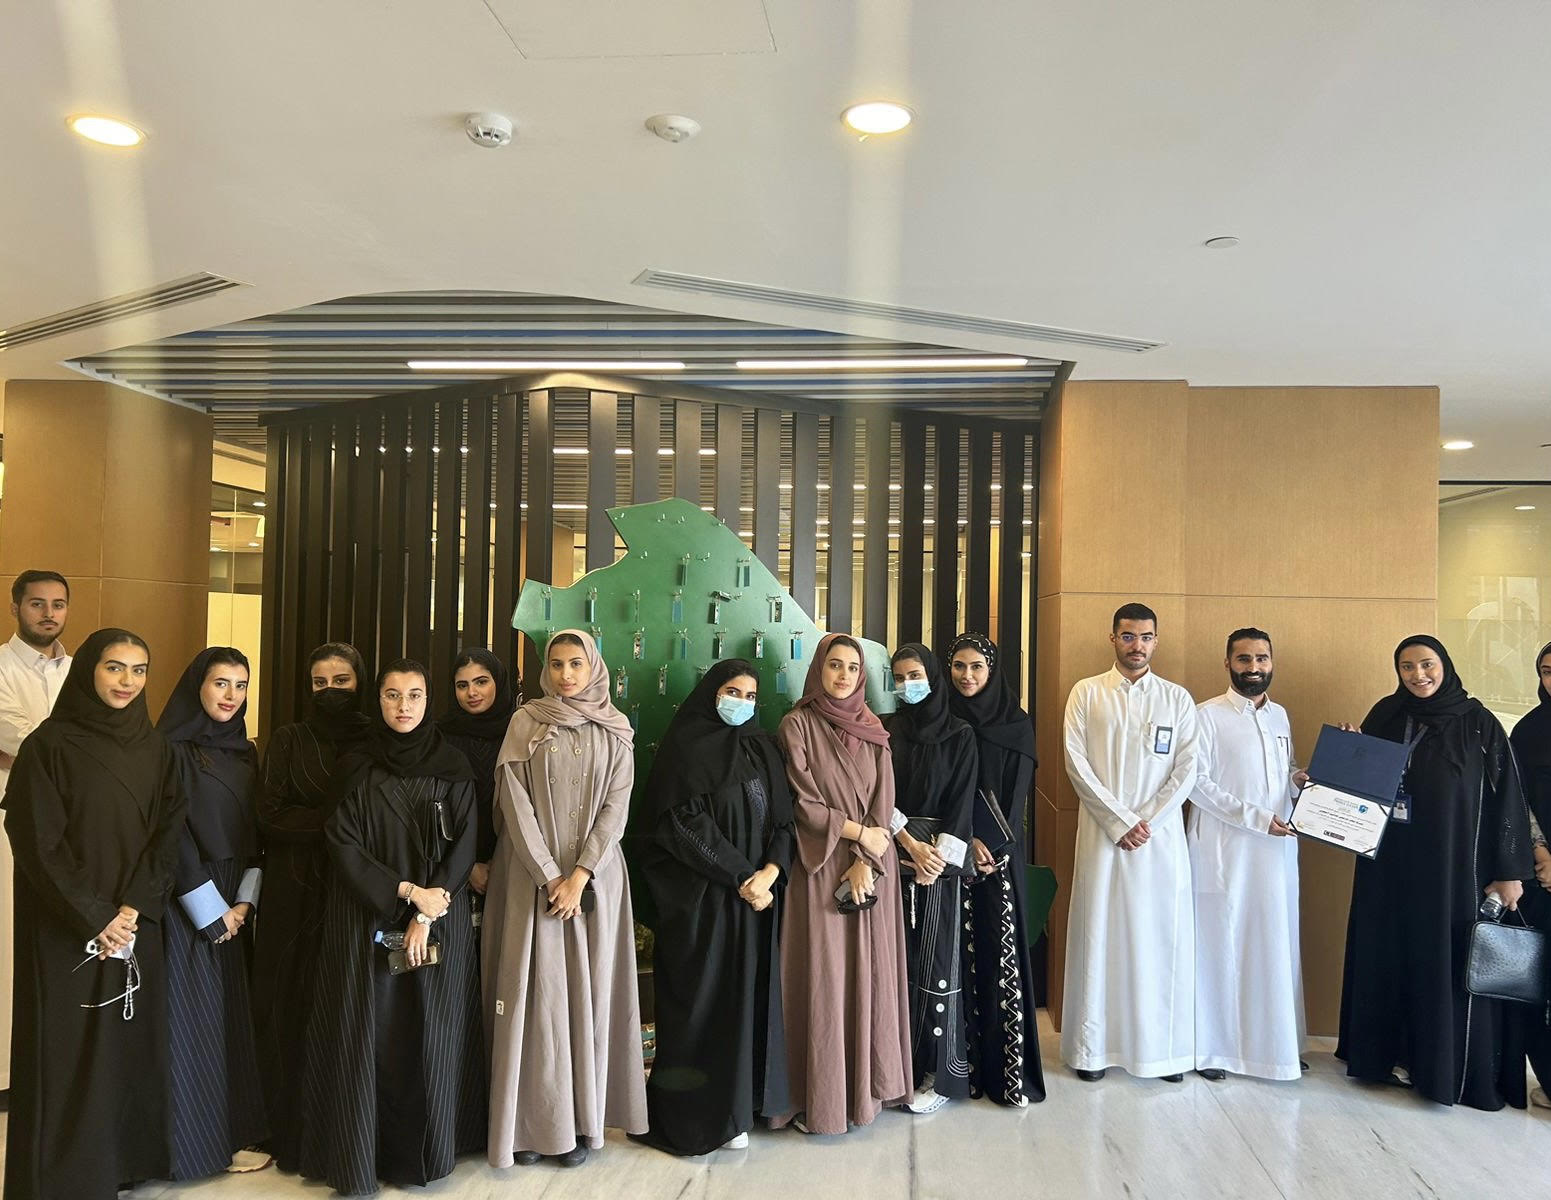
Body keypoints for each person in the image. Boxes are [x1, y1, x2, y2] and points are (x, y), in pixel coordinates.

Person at [2, 628, 185, 1199]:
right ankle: (62, 1176)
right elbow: (36, 839)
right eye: (114, 668)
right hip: (67, 924)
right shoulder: (49, 745)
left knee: (125, 1041)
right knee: (69, 1046)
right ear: (88, 670)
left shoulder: (159, 750)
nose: (127, 682)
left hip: (133, 922)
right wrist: (96, 915)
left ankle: (119, 1165)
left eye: (138, 670)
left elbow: (168, 834)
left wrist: (132, 909)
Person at [297, 658, 486, 1193]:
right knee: (368, 1035)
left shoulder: (451, 765)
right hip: (363, 918)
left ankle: (426, 1154)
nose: (403, 707)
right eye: (392, 695)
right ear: (377, 700)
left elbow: (465, 845)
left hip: (438, 920)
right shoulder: (356, 764)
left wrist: (426, 912)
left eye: (415, 696)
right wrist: (405, 894)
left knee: (430, 1035)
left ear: (429, 702)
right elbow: (342, 843)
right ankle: (362, 1158)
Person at [1337, 635, 1532, 1109]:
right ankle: (1385, 1059)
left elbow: (1508, 799)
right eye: (1406, 667)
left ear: (1444, 665)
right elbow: (1362, 790)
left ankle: (1441, 1070)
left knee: (1445, 961)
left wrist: (1509, 871)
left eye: (1426, 665)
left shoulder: (1479, 723)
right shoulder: (1385, 715)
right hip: (1389, 868)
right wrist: (1350, 755)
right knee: (1389, 954)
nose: (1417, 675)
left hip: (1453, 872)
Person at [484, 630, 645, 1168]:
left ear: (594, 665)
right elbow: (513, 800)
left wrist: (579, 875)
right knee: (536, 999)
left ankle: (581, 1123)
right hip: (531, 880)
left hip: (596, 882)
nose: (566, 675)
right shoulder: (526, 722)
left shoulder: (615, 728)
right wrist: (550, 874)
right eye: (556, 664)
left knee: (589, 999)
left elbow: (616, 811)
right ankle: (530, 1127)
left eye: (576, 664)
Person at [632, 659, 795, 1156]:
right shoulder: (686, 748)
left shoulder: (761, 747)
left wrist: (770, 872)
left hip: (756, 903)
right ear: (710, 693)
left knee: (745, 1004)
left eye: (750, 696)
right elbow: (681, 824)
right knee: (701, 1007)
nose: (741, 703)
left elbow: (785, 823)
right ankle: (697, 1116)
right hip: (703, 906)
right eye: (731, 691)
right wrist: (741, 876)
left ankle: (740, 1107)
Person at [773, 633, 911, 1134]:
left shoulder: (874, 728)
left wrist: (867, 860)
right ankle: (821, 1098)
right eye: (834, 666)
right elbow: (802, 803)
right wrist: (857, 839)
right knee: (825, 980)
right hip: (820, 868)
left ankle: (865, 1095)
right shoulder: (797, 726)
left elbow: (884, 798)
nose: (844, 676)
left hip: (870, 869)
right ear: (818, 670)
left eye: (853, 668)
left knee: (870, 977)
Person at [1061, 603, 1199, 1082]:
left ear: (1156, 641)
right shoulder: (1086, 693)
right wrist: (1120, 821)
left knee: (1159, 939)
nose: (1136, 645)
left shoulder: (1178, 699)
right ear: (1113, 638)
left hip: (1159, 842)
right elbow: (1076, 763)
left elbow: (1187, 770)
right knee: (1100, 936)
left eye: (1144, 637)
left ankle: (1162, 1053)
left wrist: (1149, 822)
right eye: (1127, 636)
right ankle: (1093, 1050)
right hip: (1103, 839)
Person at [252, 641, 371, 1169]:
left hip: (355, 891)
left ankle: (344, 1124)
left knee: (347, 1003)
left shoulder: (376, 738)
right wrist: (337, 829)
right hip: (294, 890)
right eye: (320, 683)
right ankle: (285, 1127)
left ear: (359, 682)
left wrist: (326, 827)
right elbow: (268, 814)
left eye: (341, 681)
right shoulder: (288, 739)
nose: (330, 692)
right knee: (289, 1002)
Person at [157, 647, 269, 1176]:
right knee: (192, 1022)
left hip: (234, 895)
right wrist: (209, 909)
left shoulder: (245, 750)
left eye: (241, 685)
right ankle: (191, 1148)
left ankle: (231, 1137)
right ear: (196, 686)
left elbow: (256, 831)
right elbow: (168, 834)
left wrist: (245, 900)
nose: (231, 696)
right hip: (190, 895)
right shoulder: (168, 749)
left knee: (229, 1020)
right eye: (220, 683)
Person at [1189, 628, 1306, 1082]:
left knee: (1274, 943)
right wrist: (1256, 818)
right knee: (1223, 943)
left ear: (1272, 662)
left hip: (1276, 853)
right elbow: (1197, 785)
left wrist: (1301, 779)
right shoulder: (1205, 716)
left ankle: (1274, 1047)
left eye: (1261, 658)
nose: (1253, 667)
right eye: (1244, 659)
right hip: (1224, 850)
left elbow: (1284, 773)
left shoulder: (1280, 716)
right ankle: (1216, 1051)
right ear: (1227, 663)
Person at [946, 631, 1048, 1107]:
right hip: (953, 852)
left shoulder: (1017, 724)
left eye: (977, 668)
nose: (967, 676)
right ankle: (956, 1072)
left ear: (993, 672)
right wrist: (966, 838)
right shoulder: (941, 718)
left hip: (1000, 857)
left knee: (998, 957)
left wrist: (992, 844)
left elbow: (1016, 795)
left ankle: (1007, 1075)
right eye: (959, 667)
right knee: (953, 958)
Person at [885, 642, 977, 1113]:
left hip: (939, 864)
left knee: (937, 963)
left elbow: (961, 804)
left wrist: (935, 861)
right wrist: (908, 845)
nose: (907, 686)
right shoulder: (885, 729)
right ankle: (893, 1071)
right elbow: (876, 793)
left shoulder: (960, 734)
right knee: (895, 963)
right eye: (898, 678)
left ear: (933, 676)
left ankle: (936, 1076)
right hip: (893, 853)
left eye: (914, 675)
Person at [0, 569, 72, 1100]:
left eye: (58, 604)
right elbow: (21, 740)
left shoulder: (84, 669)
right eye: (37, 604)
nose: (49, 614)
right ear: (15, 608)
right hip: (12, 824)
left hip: (79, 826)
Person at [438, 647, 517, 912]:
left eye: (481, 682)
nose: (472, 693)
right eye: (462, 685)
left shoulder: (521, 734)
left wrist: (502, 862)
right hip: (452, 869)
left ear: (499, 681)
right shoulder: (439, 738)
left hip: (514, 863)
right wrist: (467, 866)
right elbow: (434, 807)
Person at [1508, 639, 1551, 1109]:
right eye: (1547, 670)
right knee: (1540, 982)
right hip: (1545, 875)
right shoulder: (1528, 731)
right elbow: (1517, 802)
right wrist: (1540, 853)